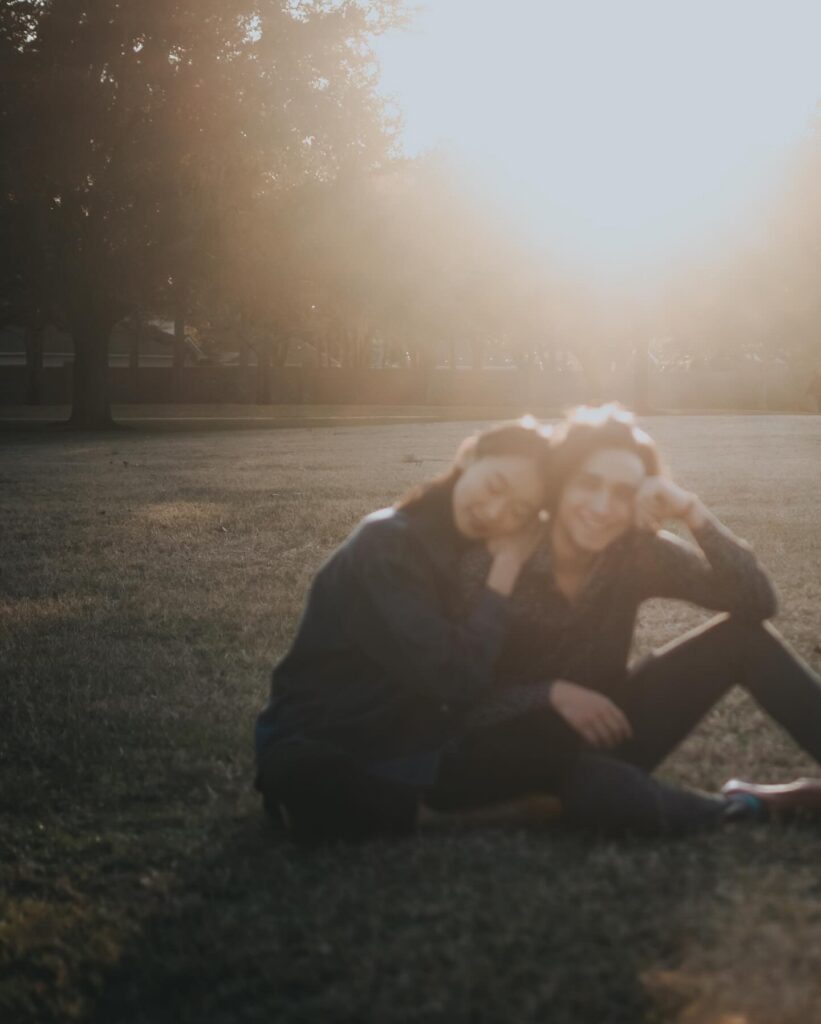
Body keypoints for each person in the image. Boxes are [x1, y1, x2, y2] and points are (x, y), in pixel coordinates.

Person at [437, 403, 821, 834]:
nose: (602, 507)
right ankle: (747, 807)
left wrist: (692, 510)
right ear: (560, 483)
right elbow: (456, 701)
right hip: (505, 754)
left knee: (742, 640)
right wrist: (550, 693)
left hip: (605, 733)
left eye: (622, 493)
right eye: (589, 484)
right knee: (594, 791)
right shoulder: (498, 558)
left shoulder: (635, 552)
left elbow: (756, 602)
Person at [254, 417, 554, 844]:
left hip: (408, 738)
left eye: (518, 512)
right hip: (326, 737)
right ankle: (435, 815)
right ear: (469, 456)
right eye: (495, 486)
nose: (495, 512)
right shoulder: (388, 543)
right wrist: (506, 568)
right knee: (308, 779)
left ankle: (420, 801)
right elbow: (456, 678)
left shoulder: (466, 551)